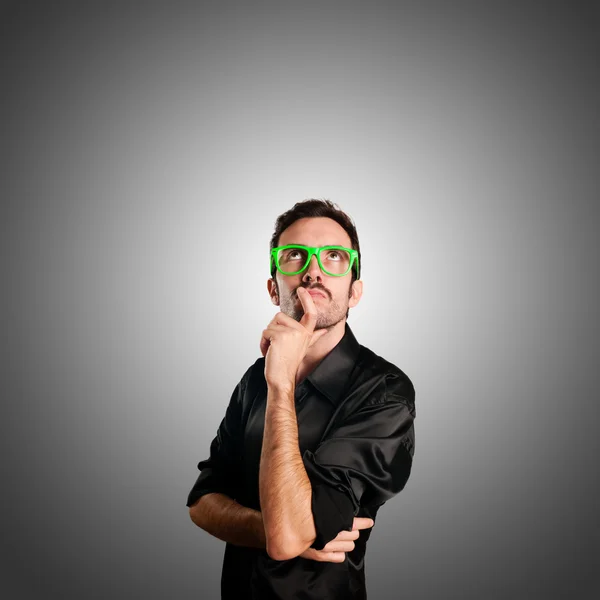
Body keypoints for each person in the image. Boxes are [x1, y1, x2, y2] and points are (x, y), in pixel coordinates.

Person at [186, 199, 416, 599]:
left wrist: (281, 387)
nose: (313, 271)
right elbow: (201, 502)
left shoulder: (384, 390)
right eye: (295, 256)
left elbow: (285, 535)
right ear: (274, 288)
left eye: (334, 257)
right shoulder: (254, 380)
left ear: (355, 290)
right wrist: (271, 527)